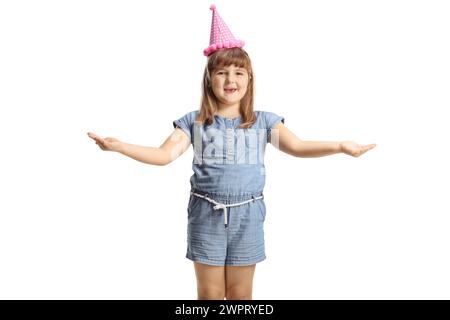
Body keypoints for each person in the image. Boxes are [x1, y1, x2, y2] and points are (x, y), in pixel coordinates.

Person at [87, 4, 376, 300]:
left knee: (240, 294)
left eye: (239, 72)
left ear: (249, 78)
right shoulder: (194, 122)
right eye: (222, 72)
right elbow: (164, 155)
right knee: (210, 294)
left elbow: (297, 147)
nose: (230, 80)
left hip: (248, 214)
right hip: (205, 212)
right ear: (209, 79)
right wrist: (120, 147)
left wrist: (340, 146)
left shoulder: (263, 122)